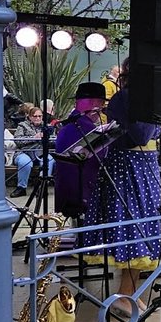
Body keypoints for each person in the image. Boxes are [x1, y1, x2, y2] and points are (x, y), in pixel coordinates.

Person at [96, 60, 161, 307]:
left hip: (143, 165)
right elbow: (140, 135)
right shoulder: (126, 97)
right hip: (130, 167)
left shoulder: (138, 97)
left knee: (143, 230)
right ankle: (123, 296)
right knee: (133, 229)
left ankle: (130, 294)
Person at [54, 82, 108, 223]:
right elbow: (100, 160)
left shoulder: (66, 126)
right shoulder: (87, 129)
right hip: (82, 194)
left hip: (65, 192)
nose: (101, 111)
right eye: (101, 105)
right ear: (94, 105)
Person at [11, 105, 53, 195]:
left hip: (41, 152)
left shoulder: (46, 127)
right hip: (24, 152)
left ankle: (42, 188)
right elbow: (18, 141)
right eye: (35, 116)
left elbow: (53, 141)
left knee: (49, 160)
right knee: (24, 162)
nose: (38, 118)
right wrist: (34, 138)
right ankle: (21, 188)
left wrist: (47, 138)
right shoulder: (22, 126)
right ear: (30, 117)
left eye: (40, 116)